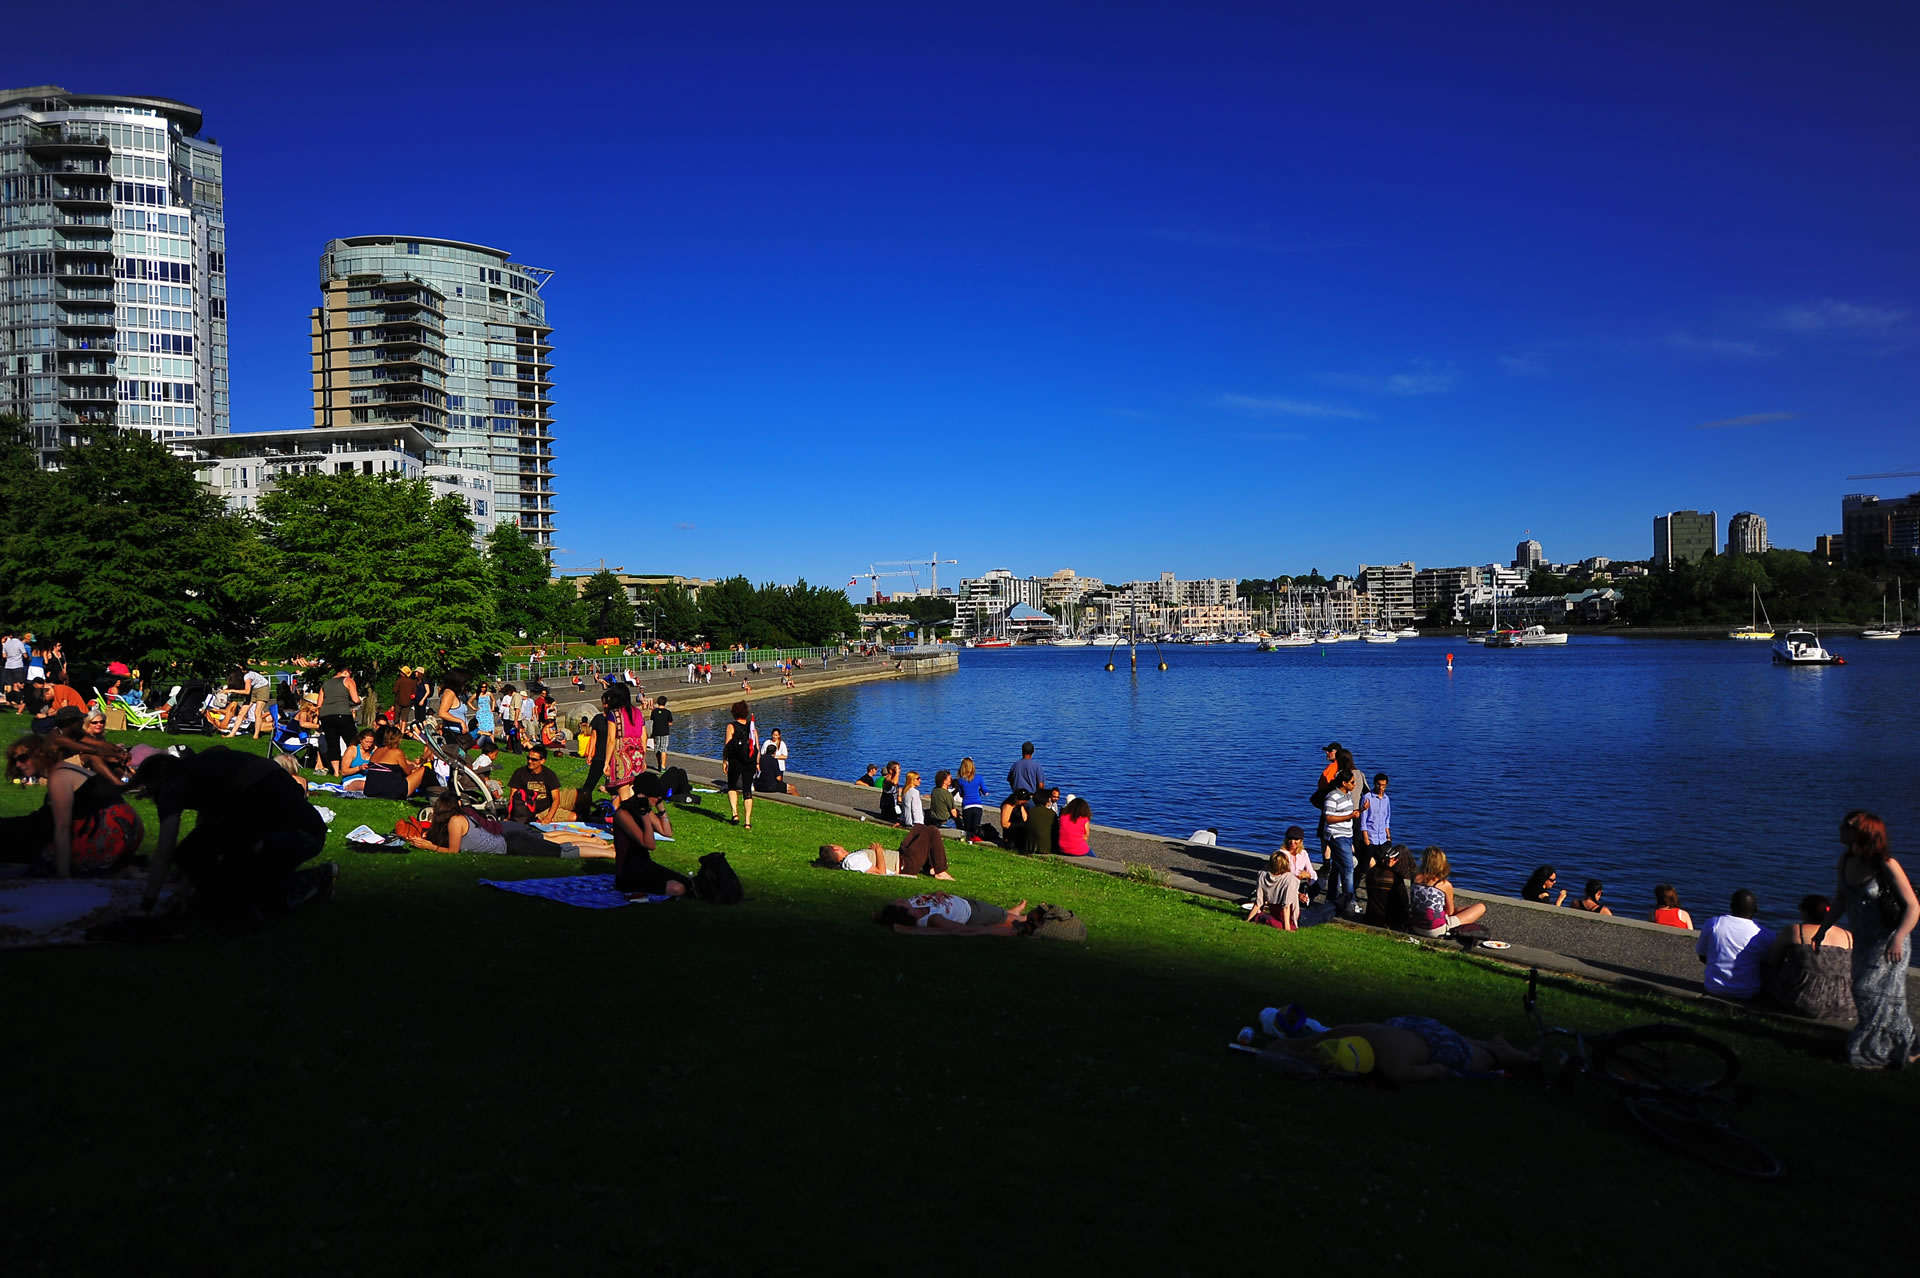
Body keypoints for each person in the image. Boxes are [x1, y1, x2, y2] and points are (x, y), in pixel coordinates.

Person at [132, 746, 335, 928]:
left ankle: (239, 913)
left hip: (288, 829)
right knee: (211, 859)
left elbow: (165, 850)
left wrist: (148, 903)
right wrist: (189, 877)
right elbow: (205, 828)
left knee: (228, 866)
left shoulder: (172, 787)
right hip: (304, 827)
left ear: (156, 782)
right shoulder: (202, 769)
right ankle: (308, 881)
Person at [1813, 810, 1918, 1069]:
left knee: (1868, 991)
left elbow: (1913, 907)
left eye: (1847, 825)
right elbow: (1840, 899)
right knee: (1871, 995)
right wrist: (1823, 929)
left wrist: (1898, 938)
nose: (1841, 828)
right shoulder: (1846, 860)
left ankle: (1866, 1054)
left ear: (1865, 832)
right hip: (1864, 940)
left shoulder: (1886, 864)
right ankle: (1907, 1046)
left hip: (1889, 942)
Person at [2, 731, 145, 877]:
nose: (19, 764)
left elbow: (62, 828)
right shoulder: (66, 769)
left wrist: (63, 875)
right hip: (125, 829)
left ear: (40, 754)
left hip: (109, 834)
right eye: (15, 761)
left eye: (23, 758)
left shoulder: (59, 777)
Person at [1255, 1019, 1533, 1083]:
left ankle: (1512, 1055)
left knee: (1475, 1057)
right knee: (1458, 1038)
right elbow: (1288, 1046)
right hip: (1408, 1024)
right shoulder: (1350, 1034)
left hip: (1432, 1047)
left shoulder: (1392, 1067)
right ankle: (1493, 1043)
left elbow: (1438, 1069)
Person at [1762, 895, 1856, 1021]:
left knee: (1765, 968)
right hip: (1845, 1006)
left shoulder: (1796, 931)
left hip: (1805, 1003)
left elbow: (1772, 961)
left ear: (1804, 911)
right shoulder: (1848, 936)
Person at [403, 791, 568, 858]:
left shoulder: (458, 819)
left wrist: (428, 846)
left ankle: (592, 841)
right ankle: (591, 840)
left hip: (505, 832)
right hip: (505, 835)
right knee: (549, 838)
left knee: (551, 841)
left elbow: (453, 851)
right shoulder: (461, 815)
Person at [1696, 890, 1774, 1000]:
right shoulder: (1765, 934)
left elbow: (1702, 956)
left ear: (1731, 906)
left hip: (1713, 987)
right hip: (1748, 992)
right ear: (1756, 909)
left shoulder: (1713, 924)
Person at [610, 796, 689, 895]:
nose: (657, 799)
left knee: (688, 883)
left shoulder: (645, 810)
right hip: (629, 875)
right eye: (656, 796)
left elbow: (667, 832)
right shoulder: (622, 814)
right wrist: (645, 818)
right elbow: (650, 845)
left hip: (646, 866)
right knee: (678, 888)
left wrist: (660, 807)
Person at [1409, 846, 1487, 935]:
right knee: (1480, 907)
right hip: (1435, 930)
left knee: (1463, 909)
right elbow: (1450, 912)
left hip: (1415, 926)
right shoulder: (1444, 884)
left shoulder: (1415, 878)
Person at [874, 892, 1030, 935]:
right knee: (1007, 919)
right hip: (972, 913)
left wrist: (937, 893)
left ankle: (1010, 913)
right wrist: (989, 930)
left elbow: (929, 897)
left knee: (998, 913)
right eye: (899, 903)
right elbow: (957, 928)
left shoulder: (914, 903)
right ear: (906, 912)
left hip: (963, 902)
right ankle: (1025, 919)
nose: (900, 899)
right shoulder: (932, 919)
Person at [1248, 832, 1312, 931]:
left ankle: (1259, 917)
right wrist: (1287, 928)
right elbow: (1286, 906)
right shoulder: (1290, 879)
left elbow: (1258, 902)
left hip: (1274, 910)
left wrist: (1248, 920)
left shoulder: (1262, 875)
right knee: (1319, 914)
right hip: (1290, 914)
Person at [1320, 767, 1361, 914]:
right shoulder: (1332, 797)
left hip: (1347, 835)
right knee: (1349, 868)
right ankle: (1350, 901)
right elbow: (1329, 818)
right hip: (1337, 836)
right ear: (1344, 783)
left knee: (1337, 867)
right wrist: (1349, 817)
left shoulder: (1349, 795)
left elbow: (1349, 814)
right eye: (1352, 782)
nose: (1354, 784)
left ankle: (1331, 897)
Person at [507, 743, 580, 822]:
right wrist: (510, 816)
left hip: (550, 804)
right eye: (528, 758)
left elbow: (556, 799)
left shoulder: (549, 774)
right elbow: (512, 797)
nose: (529, 761)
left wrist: (549, 816)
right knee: (574, 817)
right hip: (537, 811)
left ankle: (587, 817)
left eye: (534, 759)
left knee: (584, 794)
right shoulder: (519, 773)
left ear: (542, 761)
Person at [314, 664, 363, 776]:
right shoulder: (348, 681)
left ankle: (336, 772)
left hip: (326, 715)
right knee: (352, 741)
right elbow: (356, 700)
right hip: (342, 713)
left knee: (332, 743)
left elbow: (319, 703)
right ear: (346, 671)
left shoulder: (325, 683)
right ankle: (354, 766)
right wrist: (357, 701)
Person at [362, 724, 430, 800]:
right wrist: (414, 766)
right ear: (399, 739)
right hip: (391, 792)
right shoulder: (397, 752)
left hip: (371, 790)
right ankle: (436, 794)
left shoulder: (377, 751)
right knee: (425, 770)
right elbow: (408, 772)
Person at [1364, 842, 1414, 930]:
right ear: (1385, 859)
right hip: (1390, 920)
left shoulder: (1370, 873)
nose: (1396, 860)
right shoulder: (1395, 877)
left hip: (1371, 917)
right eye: (1394, 858)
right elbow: (1404, 901)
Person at [722, 700, 755, 829]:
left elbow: (727, 745)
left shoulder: (731, 726)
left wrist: (725, 760)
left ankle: (735, 813)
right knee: (747, 791)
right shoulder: (751, 727)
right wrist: (757, 762)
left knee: (732, 786)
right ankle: (747, 822)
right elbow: (756, 744)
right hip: (749, 761)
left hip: (735, 760)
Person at [1358, 772, 1392, 884]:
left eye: (1383, 785)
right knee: (1363, 866)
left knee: (1383, 865)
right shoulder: (1367, 797)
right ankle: (1352, 890)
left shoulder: (1386, 799)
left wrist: (1388, 836)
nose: (1381, 788)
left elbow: (1387, 818)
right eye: (1379, 785)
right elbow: (1363, 819)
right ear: (1374, 784)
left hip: (1382, 838)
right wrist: (1366, 838)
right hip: (1370, 837)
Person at [953, 758, 990, 842]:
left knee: (967, 828)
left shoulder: (960, 781)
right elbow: (985, 791)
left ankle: (968, 841)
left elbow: (961, 794)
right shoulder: (979, 778)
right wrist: (982, 792)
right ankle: (975, 840)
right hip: (977, 806)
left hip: (967, 806)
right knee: (976, 827)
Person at [435, 673, 471, 745]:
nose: (465, 684)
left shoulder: (455, 694)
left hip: (459, 734)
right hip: (453, 733)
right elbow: (442, 713)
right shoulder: (449, 693)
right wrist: (461, 722)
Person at [1022, 786, 1057, 855]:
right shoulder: (1051, 813)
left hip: (1030, 846)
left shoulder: (1031, 811)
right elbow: (1056, 830)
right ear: (1047, 800)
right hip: (1045, 847)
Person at [649, 695, 673, 771]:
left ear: (658, 702)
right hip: (665, 732)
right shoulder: (667, 712)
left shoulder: (654, 711)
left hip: (656, 732)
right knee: (663, 749)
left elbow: (652, 720)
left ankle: (659, 764)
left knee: (657, 749)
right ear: (665, 703)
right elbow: (670, 722)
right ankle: (663, 766)